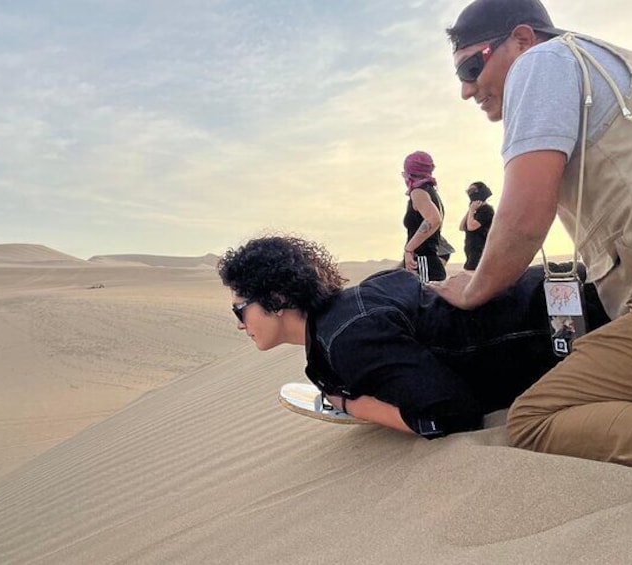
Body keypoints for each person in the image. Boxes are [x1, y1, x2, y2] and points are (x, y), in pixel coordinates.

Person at [438, 0, 632, 466]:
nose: (468, 90)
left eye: (472, 66)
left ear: (523, 39)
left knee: (533, 418)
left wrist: (475, 287)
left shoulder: (541, 63)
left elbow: (527, 214)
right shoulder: (618, 64)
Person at [217, 235, 608, 439]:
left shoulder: (349, 339)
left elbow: (454, 415)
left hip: (584, 327)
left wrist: (354, 406)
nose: (239, 323)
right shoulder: (360, 299)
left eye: (240, 309)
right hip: (578, 288)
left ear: (278, 298)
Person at [401, 151, 447, 283]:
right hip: (427, 263)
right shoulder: (430, 192)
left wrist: (409, 249)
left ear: (409, 174)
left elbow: (434, 219)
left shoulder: (418, 192)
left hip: (423, 264)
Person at [458, 181, 495, 270]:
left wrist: (471, 211)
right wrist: (470, 210)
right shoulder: (474, 211)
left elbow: (472, 227)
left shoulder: (487, 210)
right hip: (471, 250)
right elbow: (462, 227)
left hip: (480, 251)